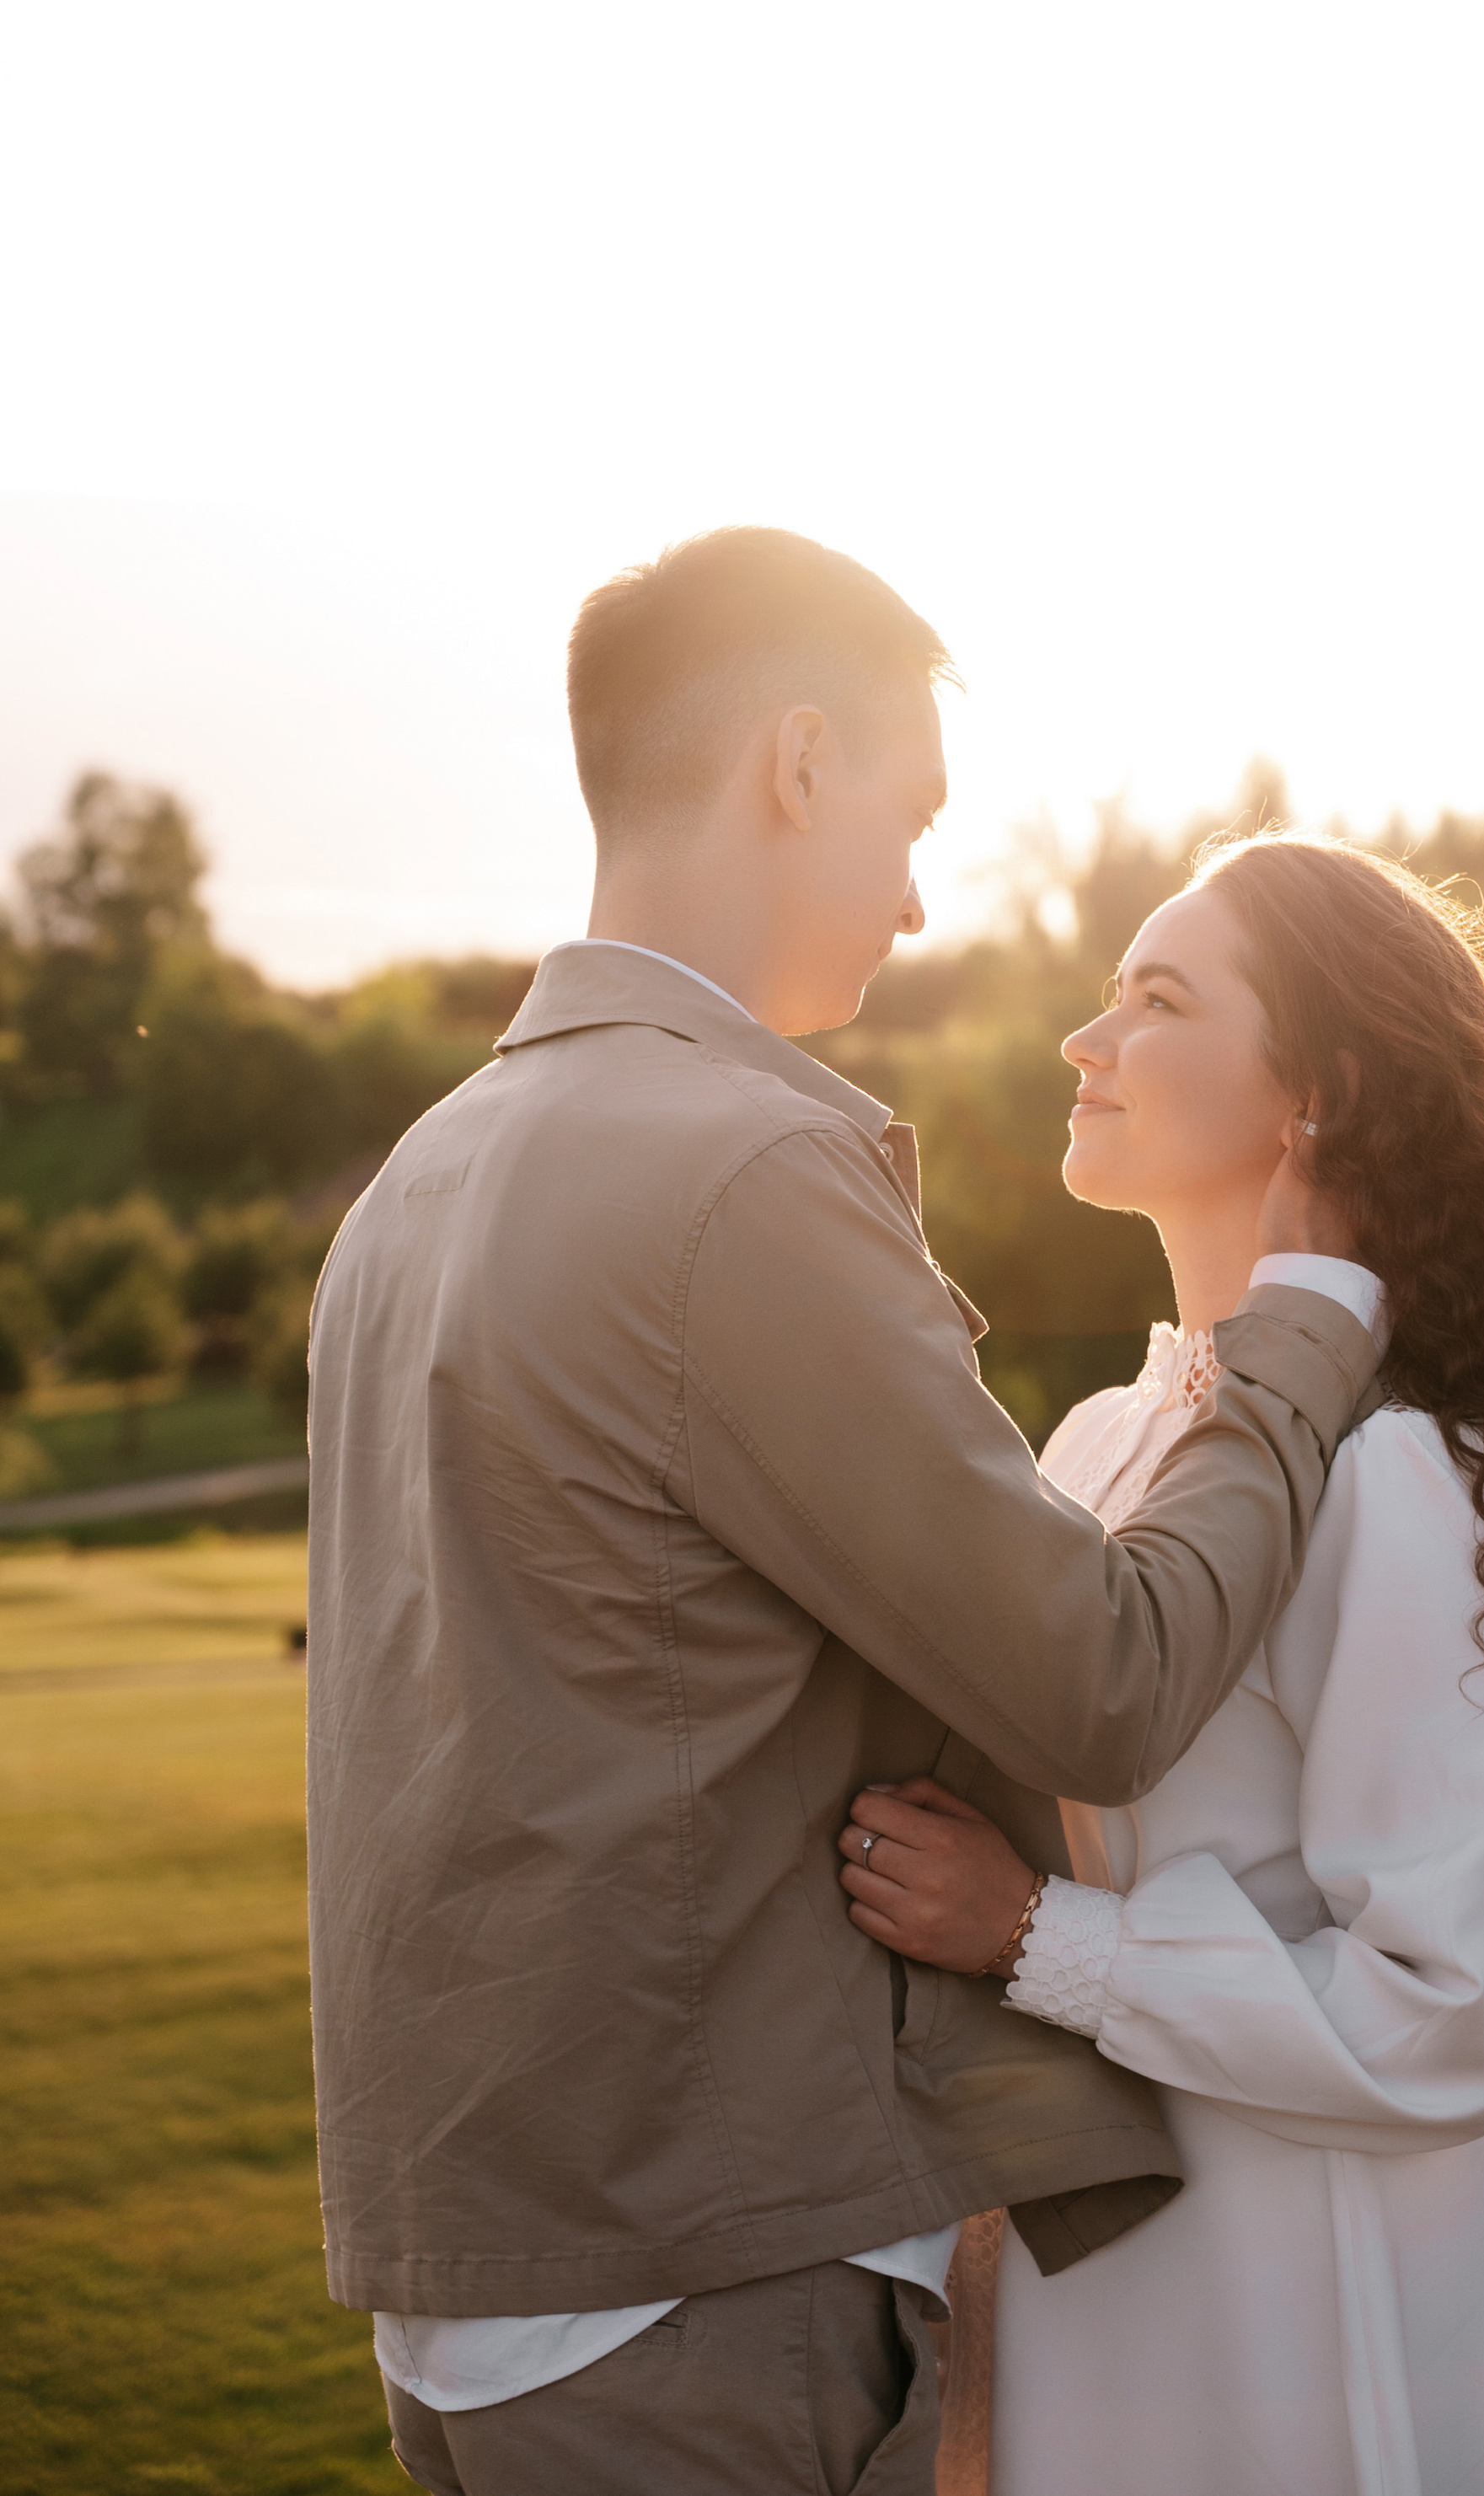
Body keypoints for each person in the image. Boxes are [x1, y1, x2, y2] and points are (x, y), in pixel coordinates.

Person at [305, 530, 1385, 2496]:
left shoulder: (419, 1182)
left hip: (475, 2291)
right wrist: (1304, 1338)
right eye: (910, 814)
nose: (915, 888)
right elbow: (1099, 1675)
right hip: (699, 2291)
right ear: (796, 759)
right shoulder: (742, 1168)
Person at [841, 832, 1484, 2496]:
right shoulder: (1097, 1435)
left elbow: (1441, 2015)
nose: (1081, 1044)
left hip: (1316, 2317)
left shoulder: (1402, 1479)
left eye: (1155, 1000)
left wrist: (1035, 1933)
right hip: (1098, 2296)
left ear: (1312, 1091)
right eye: (1104, 996)